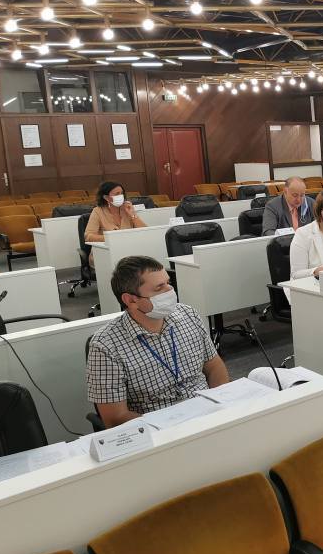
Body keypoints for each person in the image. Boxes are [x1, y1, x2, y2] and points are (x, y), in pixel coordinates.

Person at [86, 255, 230, 428]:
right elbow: (116, 418)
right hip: (159, 429)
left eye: (168, 283)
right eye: (159, 288)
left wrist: (222, 403)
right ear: (131, 300)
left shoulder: (188, 314)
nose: (170, 290)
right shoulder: (105, 346)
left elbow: (214, 366)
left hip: (209, 415)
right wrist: (171, 426)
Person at [84, 181, 147, 265]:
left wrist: (132, 214)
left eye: (122, 193)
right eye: (117, 194)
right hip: (105, 253)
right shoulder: (98, 211)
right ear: (106, 197)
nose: (121, 196)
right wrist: (111, 238)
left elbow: (145, 231)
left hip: (127, 252)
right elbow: (88, 236)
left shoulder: (126, 209)